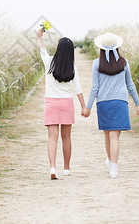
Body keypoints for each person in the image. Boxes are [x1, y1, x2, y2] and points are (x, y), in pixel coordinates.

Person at [82, 32, 139, 178]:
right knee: (115, 137)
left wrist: (88, 107)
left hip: (103, 103)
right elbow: (130, 85)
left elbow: (94, 88)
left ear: (101, 48)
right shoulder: (124, 62)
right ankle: (113, 168)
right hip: (120, 102)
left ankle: (110, 161)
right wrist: (138, 104)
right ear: (117, 47)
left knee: (107, 135)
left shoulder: (97, 63)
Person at [36, 29, 86, 179]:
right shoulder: (72, 67)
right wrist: (83, 107)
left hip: (51, 102)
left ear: (58, 49)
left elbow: (41, 48)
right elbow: (78, 89)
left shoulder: (49, 61)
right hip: (66, 103)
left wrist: (39, 37)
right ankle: (66, 168)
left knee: (52, 138)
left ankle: (52, 168)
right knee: (66, 137)